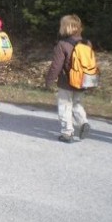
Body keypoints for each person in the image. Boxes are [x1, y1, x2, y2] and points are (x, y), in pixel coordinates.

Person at [44, 15, 91, 143]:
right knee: (76, 104)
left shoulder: (62, 44)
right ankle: (83, 123)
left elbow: (56, 66)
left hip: (66, 82)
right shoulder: (87, 43)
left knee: (65, 105)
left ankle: (67, 133)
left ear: (65, 28)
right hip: (83, 80)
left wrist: (49, 80)